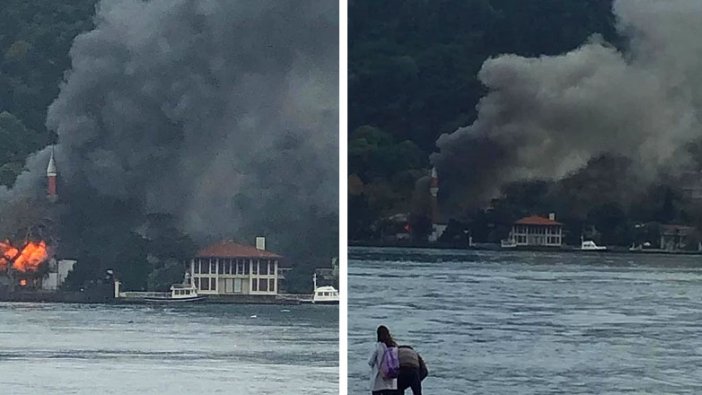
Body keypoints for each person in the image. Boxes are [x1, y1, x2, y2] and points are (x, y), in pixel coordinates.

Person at [368, 325, 398, 395]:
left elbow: (370, 362)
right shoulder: (394, 347)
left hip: (379, 381)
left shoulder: (377, 346)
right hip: (391, 381)